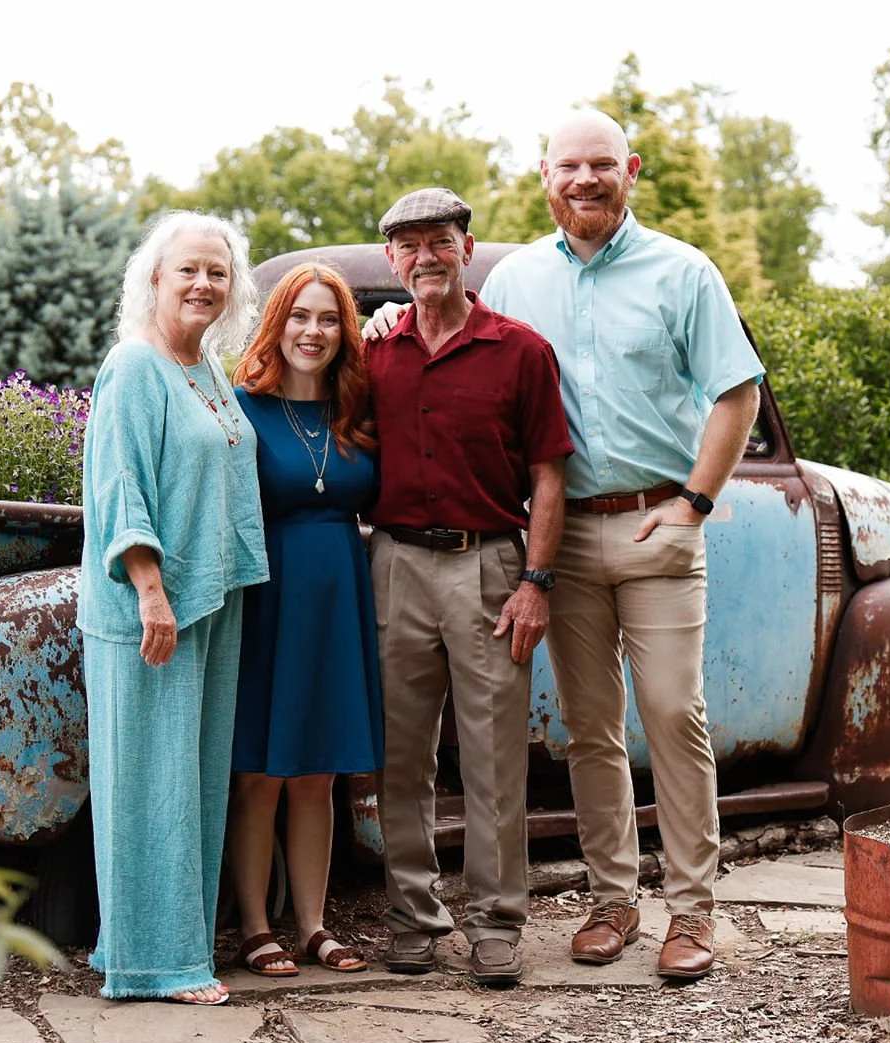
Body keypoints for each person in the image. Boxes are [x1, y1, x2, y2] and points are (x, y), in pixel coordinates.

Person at [366, 112, 764, 981]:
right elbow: (458, 340)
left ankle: (692, 912)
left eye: (602, 165)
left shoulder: (682, 270)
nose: (585, 180)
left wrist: (697, 502)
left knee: (672, 714)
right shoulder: (516, 278)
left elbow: (736, 393)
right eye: (569, 166)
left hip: (659, 523)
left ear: (631, 170)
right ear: (543, 174)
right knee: (588, 727)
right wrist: (390, 318)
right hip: (562, 535)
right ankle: (614, 900)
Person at [365, 187, 573, 987]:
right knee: (401, 756)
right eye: (409, 246)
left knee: (492, 759)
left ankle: (496, 924)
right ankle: (413, 917)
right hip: (394, 565)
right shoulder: (375, 352)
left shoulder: (520, 350)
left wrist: (535, 582)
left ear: (466, 247)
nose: (425, 257)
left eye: (439, 241)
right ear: (392, 261)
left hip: (490, 564)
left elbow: (549, 477)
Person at [76, 211, 268, 1005]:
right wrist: (151, 588)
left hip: (209, 600)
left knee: (193, 785)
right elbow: (119, 486)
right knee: (149, 786)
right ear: (154, 279)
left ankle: (155, 943)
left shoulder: (208, 369)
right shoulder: (134, 366)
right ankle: (156, 965)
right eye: (187, 270)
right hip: (149, 608)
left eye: (217, 273)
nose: (203, 284)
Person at [224, 264, 383, 978]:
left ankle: (315, 924)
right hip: (268, 596)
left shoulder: (358, 407)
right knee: (259, 771)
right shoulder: (241, 408)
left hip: (340, 596)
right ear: (276, 324)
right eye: (299, 317)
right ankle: (255, 927)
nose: (312, 332)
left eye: (327, 320)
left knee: (319, 773)